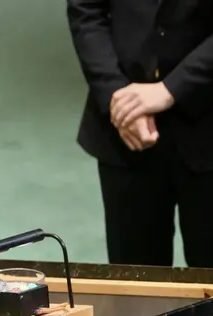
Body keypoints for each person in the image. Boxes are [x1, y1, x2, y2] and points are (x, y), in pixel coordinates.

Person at [66, 0, 213, 267]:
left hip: (206, 120)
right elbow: (86, 11)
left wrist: (171, 89)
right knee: (136, 279)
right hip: (125, 132)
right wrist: (117, 98)